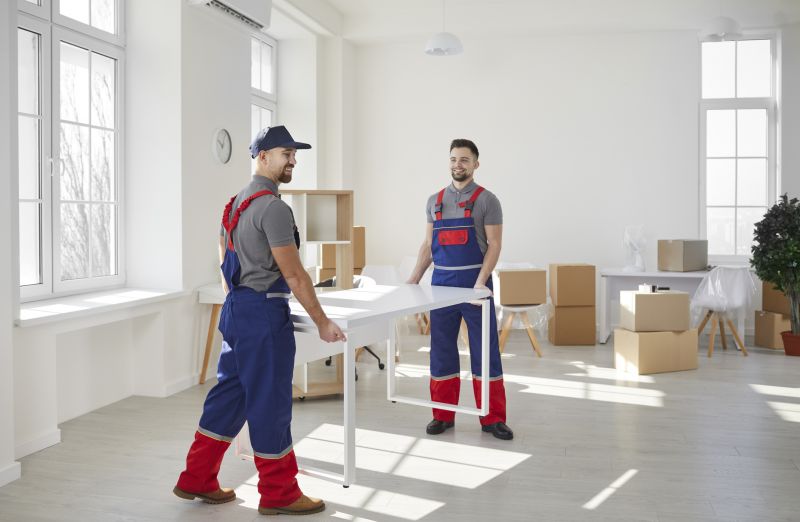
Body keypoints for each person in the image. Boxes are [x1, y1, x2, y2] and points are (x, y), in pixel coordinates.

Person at [173, 125, 345, 516]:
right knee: (269, 403)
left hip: (236, 310)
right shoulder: (273, 208)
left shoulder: (234, 204)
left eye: (294, 154)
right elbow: (295, 275)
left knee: (228, 397)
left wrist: (240, 295)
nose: (293, 160)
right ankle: (279, 493)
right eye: (286, 153)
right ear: (262, 156)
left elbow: (223, 258)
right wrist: (321, 321)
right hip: (265, 313)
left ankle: (196, 477)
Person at [406, 138, 513, 440]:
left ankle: (492, 419)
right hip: (441, 287)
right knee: (440, 351)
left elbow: (494, 245)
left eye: (464, 160)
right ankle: (442, 415)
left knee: (485, 351)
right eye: (454, 159)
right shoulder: (434, 201)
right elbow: (428, 246)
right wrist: (414, 279)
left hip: (475, 288)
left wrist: (481, 281)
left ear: (476, 164)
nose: (458, 165)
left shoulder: (487, 201)